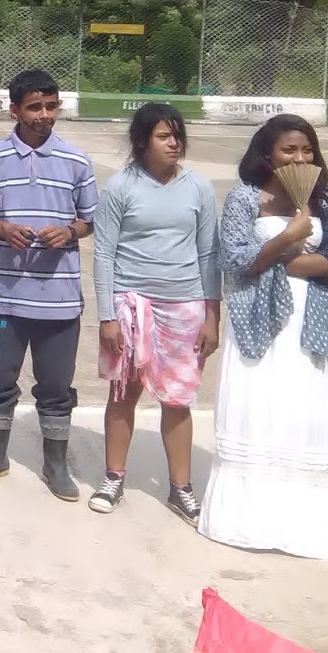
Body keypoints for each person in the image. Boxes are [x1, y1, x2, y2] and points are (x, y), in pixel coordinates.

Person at [200, 114, 328, 558]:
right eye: (289, 150)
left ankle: (302, 525)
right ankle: (247, 522)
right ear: (267, 154)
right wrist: (287, 237)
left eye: (307, 150)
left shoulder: (325, 201)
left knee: (299, 410)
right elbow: (233, 260)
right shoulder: (246, 197)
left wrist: (271, 259)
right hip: (255, 319)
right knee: (256, 405)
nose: (300, 158)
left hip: (308, 320)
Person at [0, 69, 97, 500]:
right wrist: (1, 229)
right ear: (14, 110)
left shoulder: (77, 161)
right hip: (1, 299)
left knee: (56, 387)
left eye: (51, 106)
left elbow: (89, 219)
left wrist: (69, 232)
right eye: (35, 107)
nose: (44, 115)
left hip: (58, 300)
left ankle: (55, 466)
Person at [88, 103, 220, 524]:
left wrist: (212, 316)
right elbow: (104, 254)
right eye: (164, 136)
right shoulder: (119, 188)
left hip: (185, 307)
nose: (174, 143)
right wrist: (107, 316)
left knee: (177, 400)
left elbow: (208, 254)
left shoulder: (199, 188)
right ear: (143, 141)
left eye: (178, 135)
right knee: (123, 394)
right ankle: (113, 478)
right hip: (131, 306)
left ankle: (181, 489)